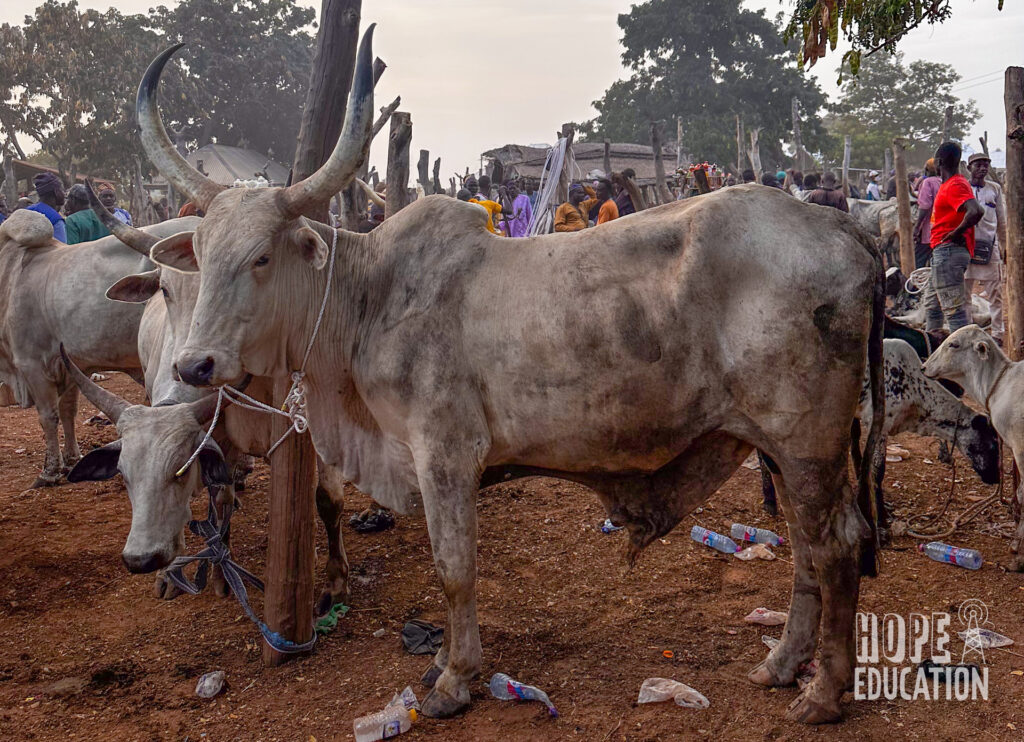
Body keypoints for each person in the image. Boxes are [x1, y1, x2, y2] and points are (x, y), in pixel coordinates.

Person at [923, 142, 984, 334]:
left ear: (939, 162)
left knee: (954, 313)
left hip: (948, 252)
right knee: (932, 307)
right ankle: (933, 351)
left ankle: (965, 361)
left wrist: (954, 233)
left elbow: (975, 211)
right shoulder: (950, 184)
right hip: (944, 252)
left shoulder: (955, 184)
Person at [963, 152, 1007, 344]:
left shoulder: (994, 189)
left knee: (995, 294)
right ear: (969, 168)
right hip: (965, 248)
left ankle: (997, 333)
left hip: (990, 248)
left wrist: (1004, 245)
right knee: (964, 294)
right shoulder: (962, 188)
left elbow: (1002, 221)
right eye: (978, 165)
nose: (982, 168)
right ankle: (967, 331)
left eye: (985, 165)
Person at [913, 159, 941, 269]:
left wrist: (917, 227)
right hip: (942, 231)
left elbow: (924, 206)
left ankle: (916, 285)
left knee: (919, 261)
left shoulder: (928, 182)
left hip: (928, 231)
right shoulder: (943, 181)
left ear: (927, 170)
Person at [26, 172, 67, 242]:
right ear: (56, 192)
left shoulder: (26, 212)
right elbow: (62, 251)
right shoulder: (55, 220)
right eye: (62, 190)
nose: (64, 194)